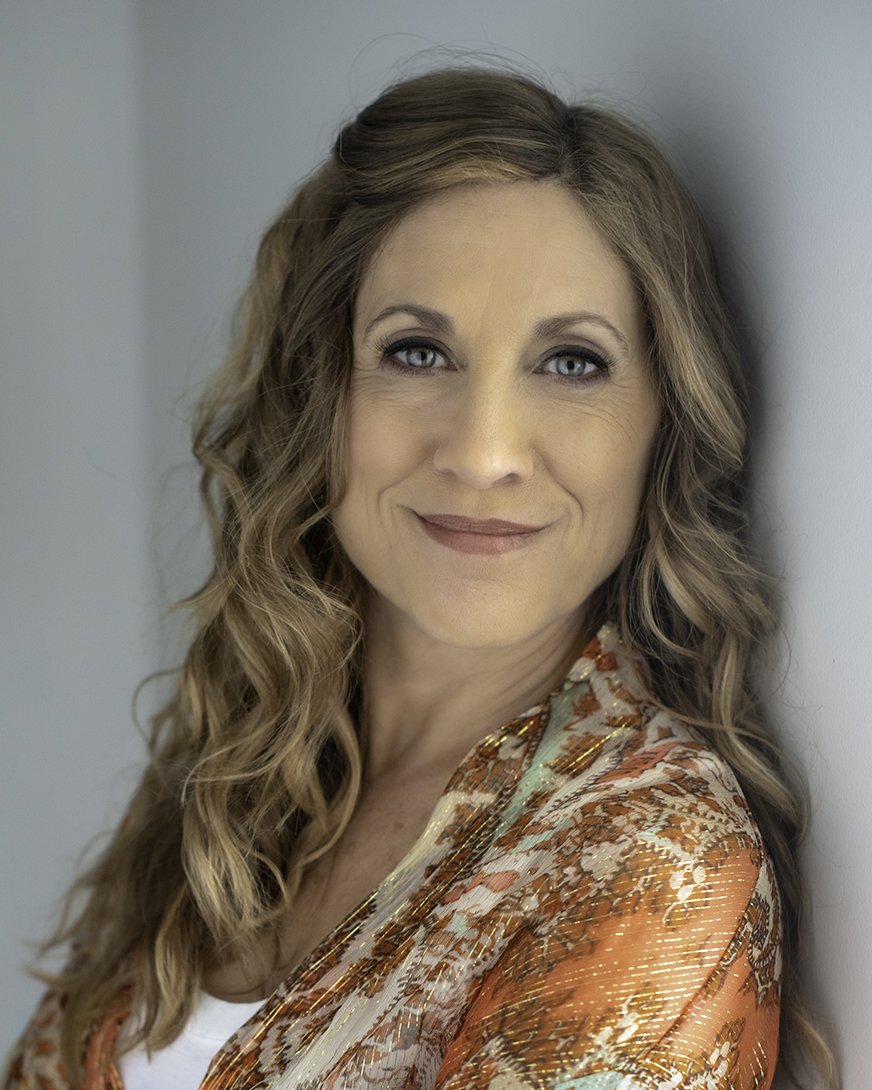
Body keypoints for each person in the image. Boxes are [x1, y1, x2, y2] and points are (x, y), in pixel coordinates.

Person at [5, 67, 838, 1090]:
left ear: (662, 426)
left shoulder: (647, 857)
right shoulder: (240, 755)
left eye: (572, 362)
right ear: (320, 394)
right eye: (416, 351)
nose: (483, 453)